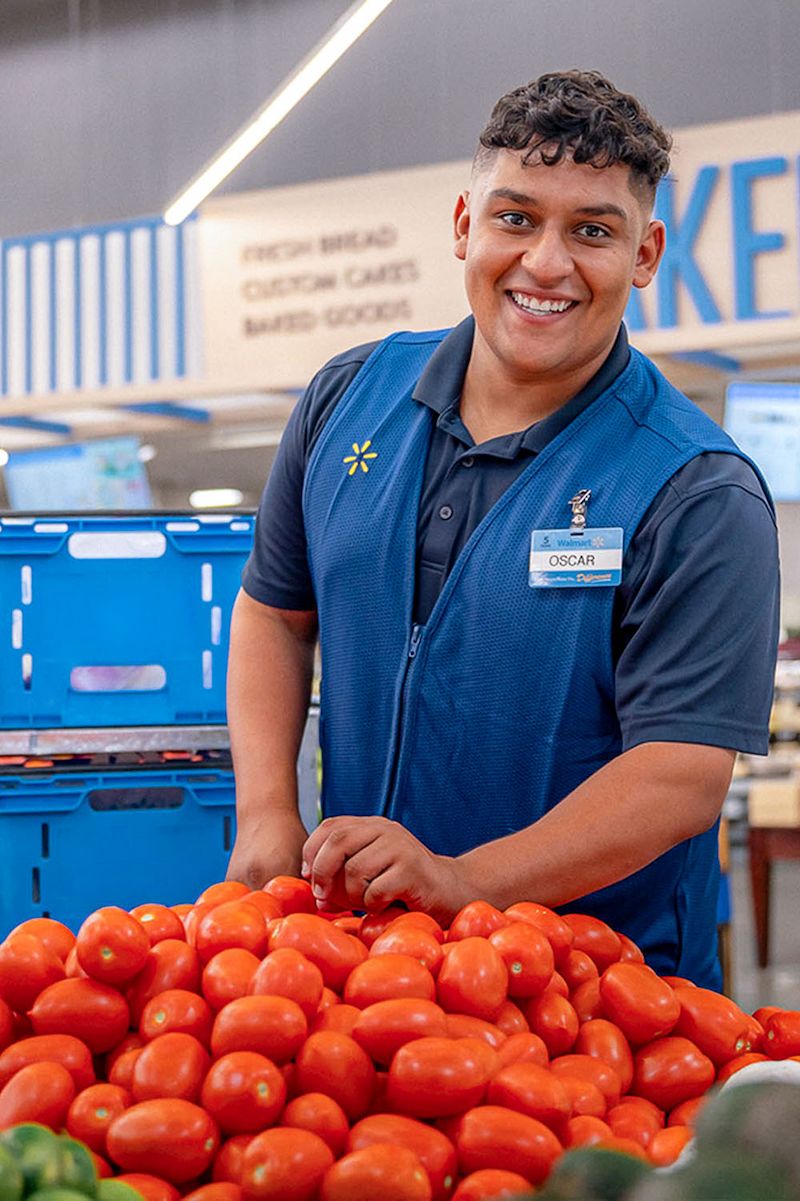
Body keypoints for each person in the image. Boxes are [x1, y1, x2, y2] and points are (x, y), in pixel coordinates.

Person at [227, 69, 780, 989]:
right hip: (368, 967)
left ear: (645, 255)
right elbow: (273, 616)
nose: (547, 263)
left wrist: (463, 881)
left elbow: (680, 773)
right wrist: (265, 811)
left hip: (597, 997)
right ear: (463, 225)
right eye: (516, 218)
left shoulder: (696, 488)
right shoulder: (344, 401)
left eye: (592, 231)